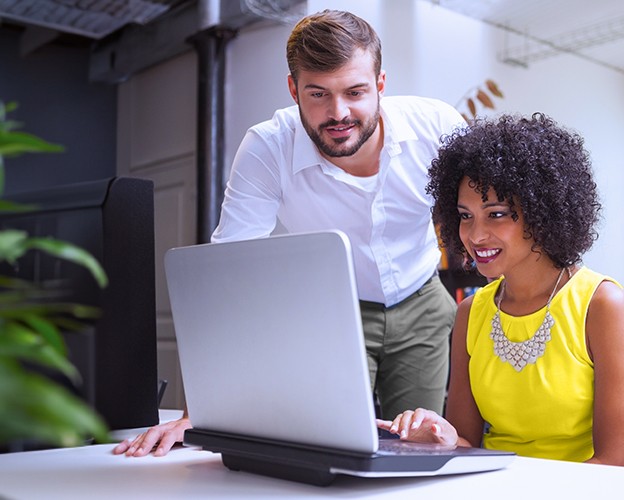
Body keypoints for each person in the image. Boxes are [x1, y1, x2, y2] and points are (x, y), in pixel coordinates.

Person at [114, 9, 463, 457]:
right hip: (331, 313)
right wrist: (204, 408)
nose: (339, 113)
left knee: (420, 449)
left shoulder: (436, 127)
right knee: (331, 449)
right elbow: (228, 276)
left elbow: (494, 211)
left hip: (423, 303)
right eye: (318, 94)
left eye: (355, 91)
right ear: (293, 89)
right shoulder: (267, 147)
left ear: (380, 85)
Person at [376, 113, 624, 466]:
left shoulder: (603, 305)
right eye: (465, 216)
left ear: (541, 212)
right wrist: (442, 437)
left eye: (496, 214)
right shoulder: (471, 312)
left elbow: (615, 463)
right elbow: (467, 443)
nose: (475, 235)